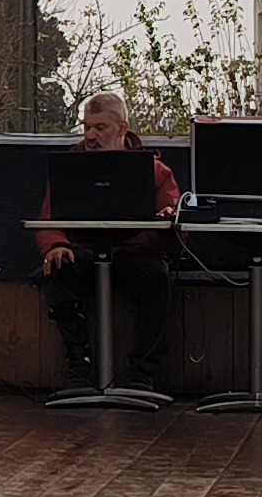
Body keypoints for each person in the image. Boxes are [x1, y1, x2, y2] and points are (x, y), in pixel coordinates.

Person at [36, 89, 180, 396]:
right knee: (58, 272)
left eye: (100, 127)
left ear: (122, 128)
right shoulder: (68, 168)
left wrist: (164, 222)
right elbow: (48, 218)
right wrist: (56, 245)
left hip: (134, 256)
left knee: (158, 279)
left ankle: (142, 375)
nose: (90, 135)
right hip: (83, 254)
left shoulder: (154, 171)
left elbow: (172, 216)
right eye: (87, 127)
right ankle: (79, 368)